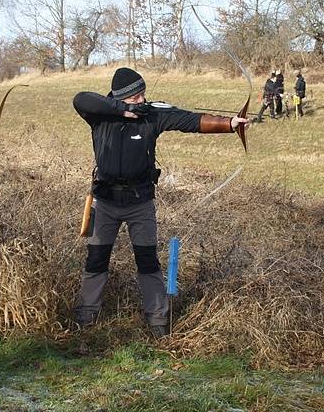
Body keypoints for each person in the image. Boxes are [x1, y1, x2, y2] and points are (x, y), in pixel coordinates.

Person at [72, 67, 248, 337]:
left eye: (143, 95)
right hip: (105, 201)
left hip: (140, 202)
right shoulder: (99, 116)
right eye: (136, 97)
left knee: (148, 261)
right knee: (96, 259)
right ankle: (85, 320)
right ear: (120, 98)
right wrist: (120, 110)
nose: (142, 100)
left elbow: (187, 120)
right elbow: (81, 98)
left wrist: (229, 124)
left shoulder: (151, 116)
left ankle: (158, 322)